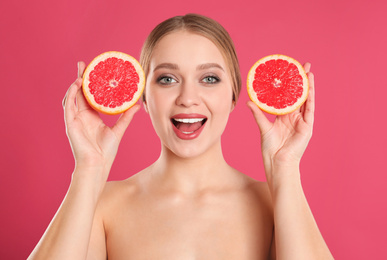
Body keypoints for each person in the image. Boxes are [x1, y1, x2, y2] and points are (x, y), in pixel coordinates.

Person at [28, 14, 333, 259]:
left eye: (209, 78)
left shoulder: (277, 203)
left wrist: (286, 167)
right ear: (144, 98)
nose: (188, 98)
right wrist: (88, 169)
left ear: (233, 95)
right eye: (167, 79)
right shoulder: (102, 205)